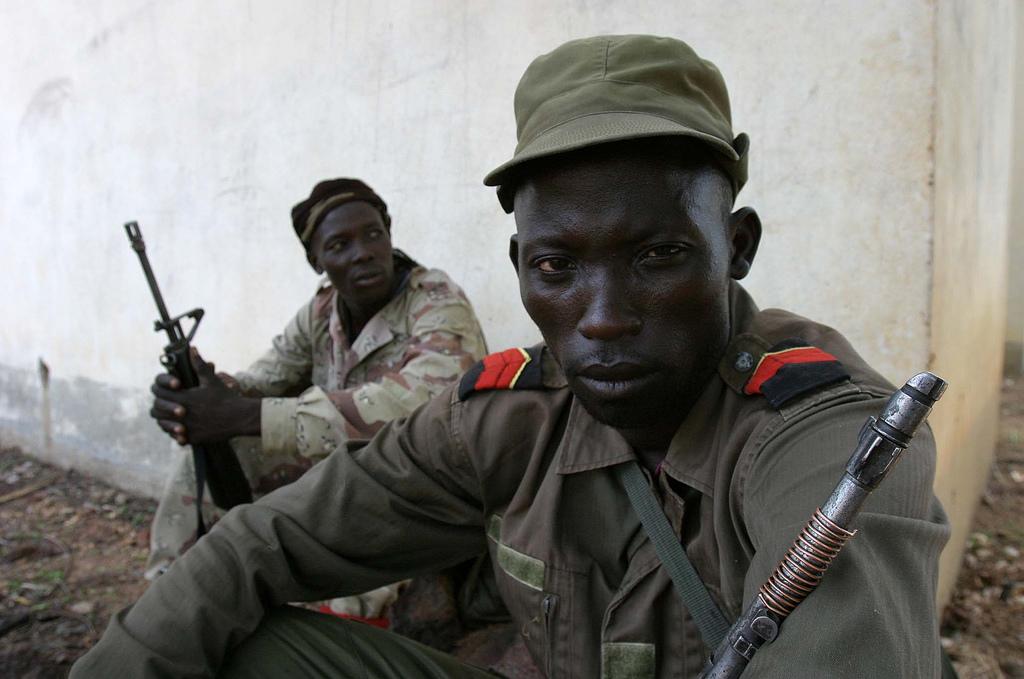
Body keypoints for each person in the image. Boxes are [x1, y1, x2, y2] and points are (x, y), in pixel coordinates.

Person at [74, 35, 950, 678]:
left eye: (657, 255)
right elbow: (268, 541)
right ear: (521, 269)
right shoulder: (511, 411)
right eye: (558, 267)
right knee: (235, 643)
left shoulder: (826, 435)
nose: (601, 320)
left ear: (738, 246)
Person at [145, 177, 488, 622]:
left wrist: (244, 413)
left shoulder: (436, 301)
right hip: (345, 469)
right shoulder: (322, 311)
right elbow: (267, 377)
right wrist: (204, 393)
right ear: (318, 261)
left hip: (422, 479)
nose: (362, 251)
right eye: (339, 244)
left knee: (348, 554)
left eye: (372, 234)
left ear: (388, 233)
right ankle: (166, 604)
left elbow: (423, 406)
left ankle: (340, 637)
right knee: (210, 455)